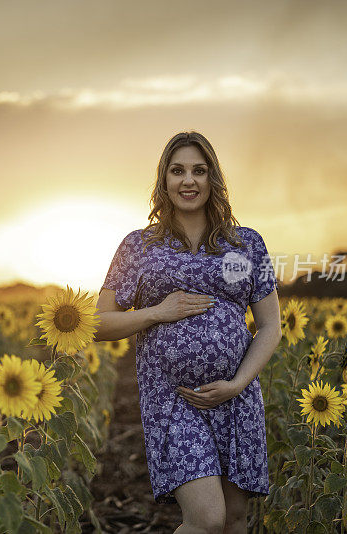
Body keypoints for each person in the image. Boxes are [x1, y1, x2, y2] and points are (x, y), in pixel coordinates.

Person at [94, 131, 282, 534]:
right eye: (177, 171)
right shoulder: (138, 246)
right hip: (172, 400)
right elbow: (99, 323)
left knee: (234, 520)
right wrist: (156, 312)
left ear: (213, 178)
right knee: (207, 518)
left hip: (238, 397)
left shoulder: (247, 243)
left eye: (199, 170)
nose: (188, 180)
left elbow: (270, 325)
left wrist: (237, 383)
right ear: (163, 180)